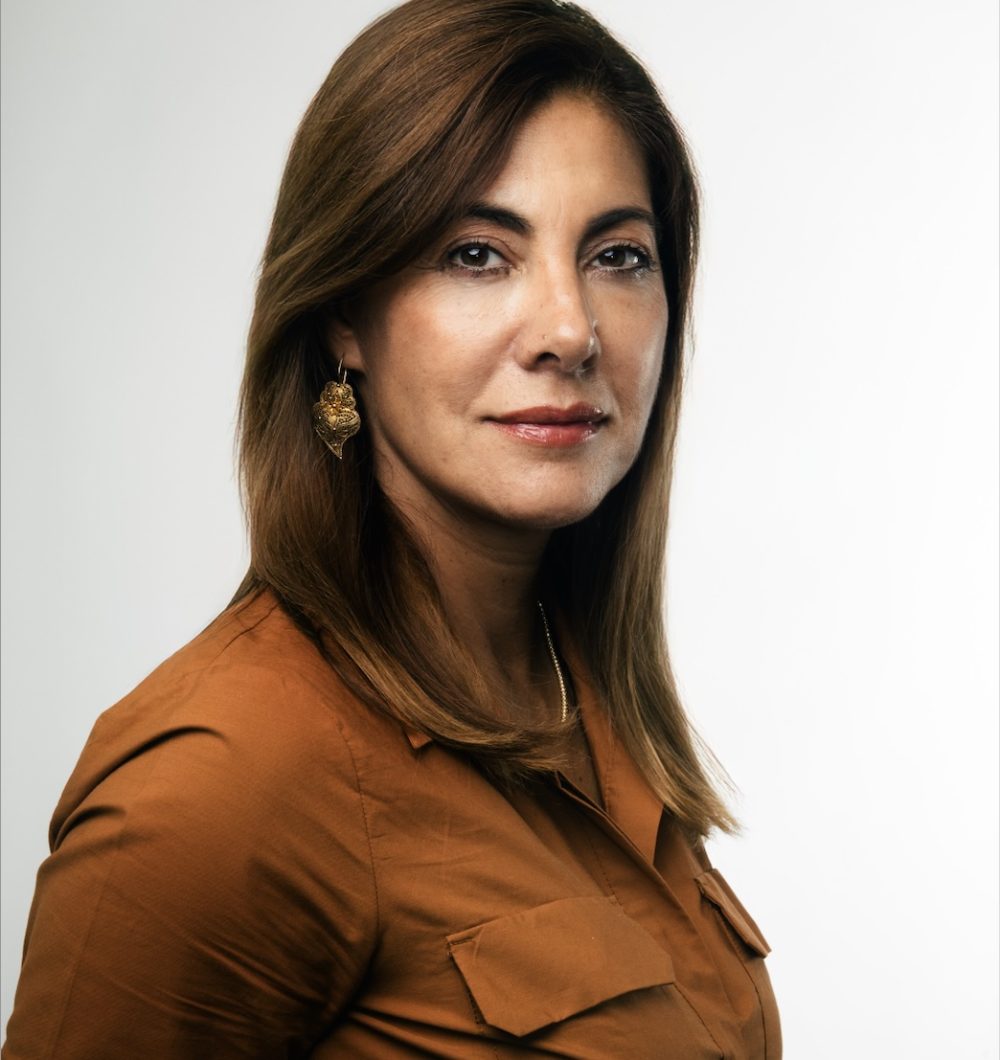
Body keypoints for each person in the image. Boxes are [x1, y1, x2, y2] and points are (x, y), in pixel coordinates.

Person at [3, 0, 780, 1056]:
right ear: (343, 314)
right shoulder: (229, 774)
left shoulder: (583, 707)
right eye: (477, 254)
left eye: (618, 255)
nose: (569, 329)